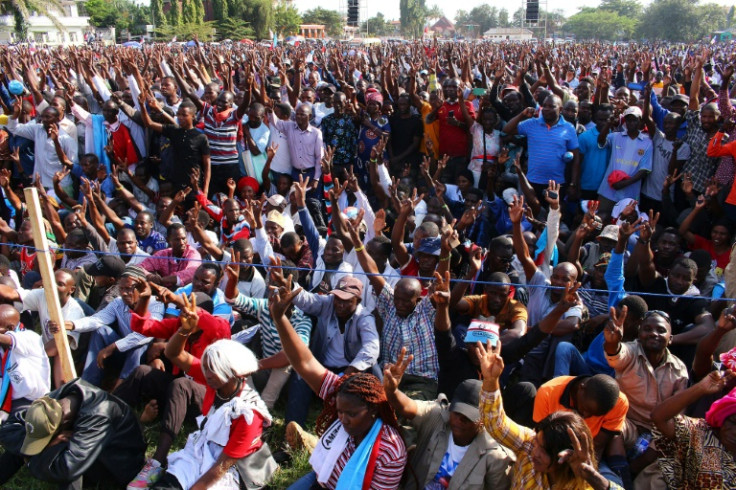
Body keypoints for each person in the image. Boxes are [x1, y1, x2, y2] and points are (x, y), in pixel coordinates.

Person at [268, 279, 407, 490]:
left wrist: (350, 374)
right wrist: (279, 318)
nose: (342, 419)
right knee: (300, 378)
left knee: (374, 371)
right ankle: (294, 439)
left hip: (355, 369)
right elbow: (304, 362)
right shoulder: (343, 394)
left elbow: (371, 349)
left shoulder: (389, 451)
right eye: (339, 412)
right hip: (322, 477)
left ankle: (311, 442)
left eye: (351, 414)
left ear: (372, 409)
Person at [149, 295, 276, 489]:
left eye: (213, 369)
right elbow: (173, 354)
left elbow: (222, 466)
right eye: (206, 368)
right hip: (203, 450)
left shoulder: (249, 414)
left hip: (233, 468)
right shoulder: (214, 379)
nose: (206, 374)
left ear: (234, 372)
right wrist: (184, 330)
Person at [477, 340, 624, 489]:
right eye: (538, 444)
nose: (535, 453)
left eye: (545, 451)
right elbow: (495, 423)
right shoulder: (529, 444)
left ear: (566, 456)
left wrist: (590, 475)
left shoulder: (581, 483)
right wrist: (491, 381)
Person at [384, 348, 513, 490]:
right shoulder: (438, 415)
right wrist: (392, 391)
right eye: (457, 413)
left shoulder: (494, 455)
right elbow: (408, 406)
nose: (459, 420)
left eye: (467, 418)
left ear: (482, 421)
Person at [0, 378, 146, 488]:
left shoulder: (99, 415)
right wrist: (39, 446)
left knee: (63, 452)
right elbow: (8, 429)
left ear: (64, 422)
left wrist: (31, 459)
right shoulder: (55, 402)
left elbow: (67, 469)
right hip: (83, 446)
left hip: (116, 466)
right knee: (28, 438)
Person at [646, 370, 736, 489]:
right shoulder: (700, 432)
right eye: (734, 422)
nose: (735, 431)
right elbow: (659, 417)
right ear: (723, 417)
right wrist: (701, 388)